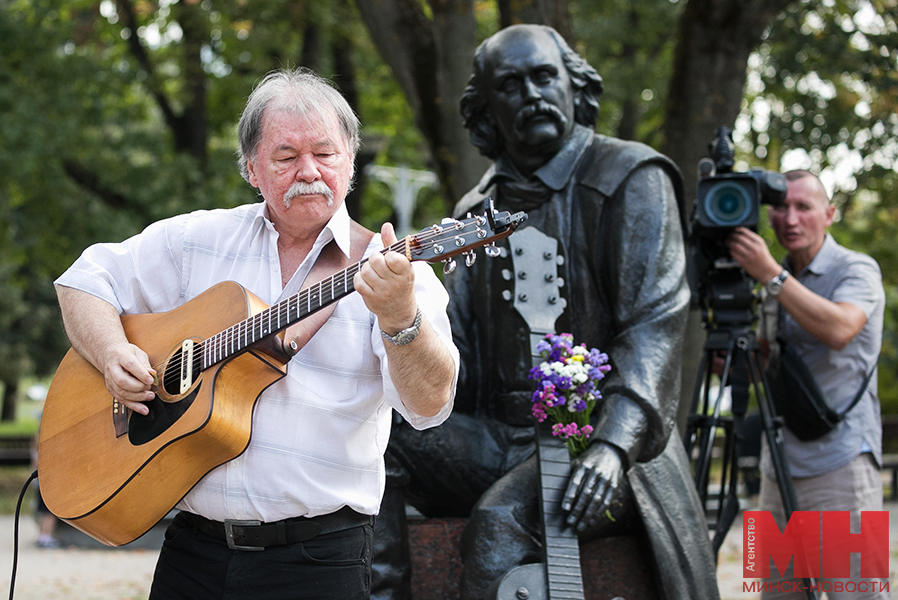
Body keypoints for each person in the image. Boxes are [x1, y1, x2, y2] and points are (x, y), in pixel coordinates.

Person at [53, 67, 459, 600]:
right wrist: (111, 353)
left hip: (319, 561)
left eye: (326, 153)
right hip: (191, 555)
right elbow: (84, 279)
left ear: (351, 162)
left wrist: (400, 318)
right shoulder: (197, 240)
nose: (309, 171)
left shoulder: (396, 275)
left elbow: (430, 408)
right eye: (286, 157)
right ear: (251, 168)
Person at [374, 24, 719, 600]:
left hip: (606, 445)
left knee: (500, 523)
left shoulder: (631, 178)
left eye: (543, 77)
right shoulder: (473, 213)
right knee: (376, 431)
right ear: (487, 109)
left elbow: (655, 330)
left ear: (572, 85)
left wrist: (612, 447)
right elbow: (448, 348)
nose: (532, 94)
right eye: (511, 85)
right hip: (497, 437)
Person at [726, 170, 885, 599]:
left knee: (858, 594)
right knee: (776, 595)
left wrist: (771, 275)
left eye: (804, 207)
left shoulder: (855, 268)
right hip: (777, 469)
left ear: (829, 214)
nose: (790, 218)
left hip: (842, 465)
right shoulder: (769, 280)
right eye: (780, 207)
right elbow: (769, 359)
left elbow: (840, 329)